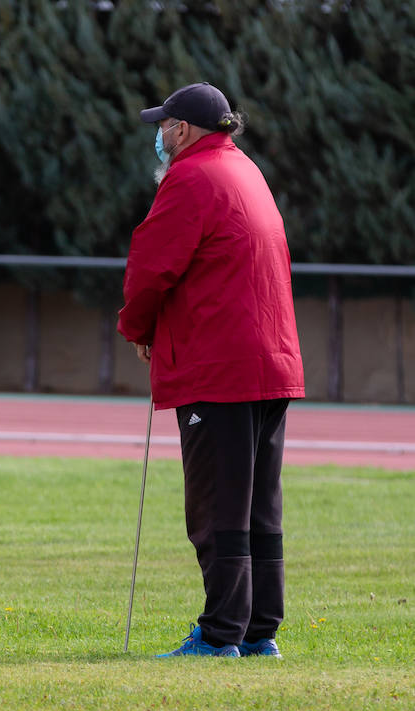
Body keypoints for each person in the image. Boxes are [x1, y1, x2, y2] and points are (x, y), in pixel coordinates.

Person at [118, 82, 306, 658]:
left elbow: (152, 265)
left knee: (217, 508)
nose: (160, 134)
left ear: (184, 129)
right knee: (257, 507)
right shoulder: (244, 169)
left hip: (220, 365)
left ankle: (222, 632)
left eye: (164, 125)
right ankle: (257, 631)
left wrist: (137, 326)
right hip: (269, 361)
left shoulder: (192, 177)